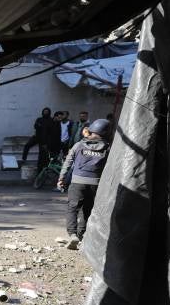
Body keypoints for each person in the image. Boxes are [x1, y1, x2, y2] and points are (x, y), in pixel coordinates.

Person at [58, 119, 111, 249]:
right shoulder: (108, 148)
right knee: (87, 209)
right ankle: (82, 236)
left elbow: (68, 163)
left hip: (77, 182)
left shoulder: (79, 145)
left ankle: (72, 235)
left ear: (91, 130)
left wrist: (61, 179)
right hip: (95, 184)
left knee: (72, 208)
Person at [21, 107, 56, 172]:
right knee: (27, 145)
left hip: (44, 140)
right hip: (37, 137)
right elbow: (35, 126)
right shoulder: (39, 119)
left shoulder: (50, 120)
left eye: (47, 112)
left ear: (49, 113)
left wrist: (46, 142)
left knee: (42, 155)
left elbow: (50, 131)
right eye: (44, 111)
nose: (45, 113)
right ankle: (23, 159)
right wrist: (39, 126)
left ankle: (40, 169)